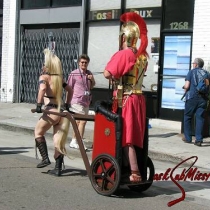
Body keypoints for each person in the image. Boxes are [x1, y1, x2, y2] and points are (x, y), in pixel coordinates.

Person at [103, 12, 149, 183]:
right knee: (136, 135)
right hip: (139, 98)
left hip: (127, 99)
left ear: (125, 37)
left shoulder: (125, 54)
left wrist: (114, 76)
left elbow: (108, 73)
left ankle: (134, 171)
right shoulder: (143, 56)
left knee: (126, 136)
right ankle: (135, 166)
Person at [34, 48, 73, 176]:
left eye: (44, 64)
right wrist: (67, 104)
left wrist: (39, 104)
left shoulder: (44, 77)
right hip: (61, 112)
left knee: (38, 133)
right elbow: (70, 90)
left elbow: (42, 89)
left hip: (51, 110)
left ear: (48, 66)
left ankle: (45, 159)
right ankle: (58, 169)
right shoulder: (59, 79)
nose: (42, 66)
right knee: (58, 141)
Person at [67, 54, 95, 150]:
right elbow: (69, 87)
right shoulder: (74, 73)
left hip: (86, 101)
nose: (84, 64)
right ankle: (80, 142)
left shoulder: (89, 73)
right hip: (76, 100)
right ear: (79, 63)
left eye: (86, 62)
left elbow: (92, 86)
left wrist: (92, 79)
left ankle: (73, 141)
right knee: (83, 121)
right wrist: (67, 102)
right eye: (82, 62)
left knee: (78, 122)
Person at [182, 58, 210, 146]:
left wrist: (184, 87)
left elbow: (187, 86)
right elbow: (207, 85)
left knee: (187, 116)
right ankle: (198, 140)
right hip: (203, 99)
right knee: (200, 118)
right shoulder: (207, 73)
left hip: (192, 97)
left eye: (193, 63)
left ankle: (188, 137)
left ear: (196, 64)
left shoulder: (191, 72)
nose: (193, 64)